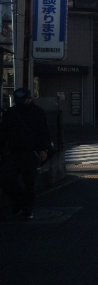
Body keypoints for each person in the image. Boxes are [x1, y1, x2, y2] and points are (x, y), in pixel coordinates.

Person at [0, 88, 53, 220]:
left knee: (29, 182)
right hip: (13, 152)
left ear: (29, 99)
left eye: (22, 100)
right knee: (7, 180)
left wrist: (43, 150)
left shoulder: (37, 113)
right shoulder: (10, 113)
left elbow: (44, 132)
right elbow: (3, 133)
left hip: (31, 152)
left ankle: (27, 209)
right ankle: (21, 201)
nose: (20, 103)